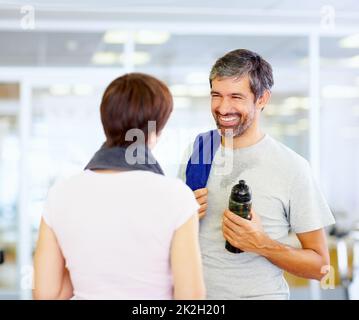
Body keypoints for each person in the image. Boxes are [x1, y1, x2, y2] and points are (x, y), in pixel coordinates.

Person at [178, 49, 335, 300]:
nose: (223, 107)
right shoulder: (199, 152)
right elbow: (177, 234)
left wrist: (261, 243)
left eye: (236, 97)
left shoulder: (292, 167)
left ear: (262, 99)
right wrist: (181, 217)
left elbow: (322, 268)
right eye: (216, 95)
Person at [34, 73, 205, 300]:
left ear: (106, 122)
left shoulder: (60, 194)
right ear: (155, 132)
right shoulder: (176, 197)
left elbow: (47, 295)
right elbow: (190, 299)